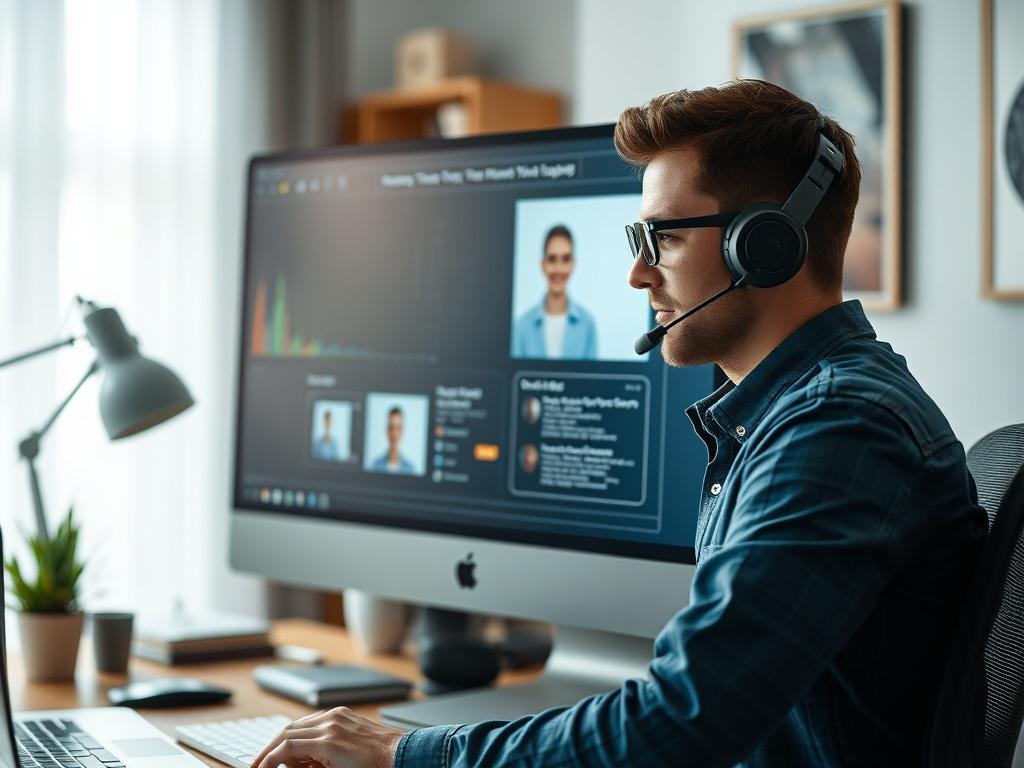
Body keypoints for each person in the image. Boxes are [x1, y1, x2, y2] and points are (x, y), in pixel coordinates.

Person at [249, 81, 986, 767]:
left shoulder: (837, 428)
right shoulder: (789, 416)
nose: (637, 274)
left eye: (663, 238)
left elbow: (681, 719)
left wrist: (402, 753)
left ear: (766, 245)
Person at [512, 224, 598, 359]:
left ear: (573, 264)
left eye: (565, 259)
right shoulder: (522, 326)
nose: (558, 268)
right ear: (543, 265)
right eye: (552, 259)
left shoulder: (588, 324)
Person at [369, 406, 415, 475]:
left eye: (398, 428)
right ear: (386, 431)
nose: (394, 433)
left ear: (402, 432)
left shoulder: (410, 469)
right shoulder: (375, 467)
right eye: (391, 428)